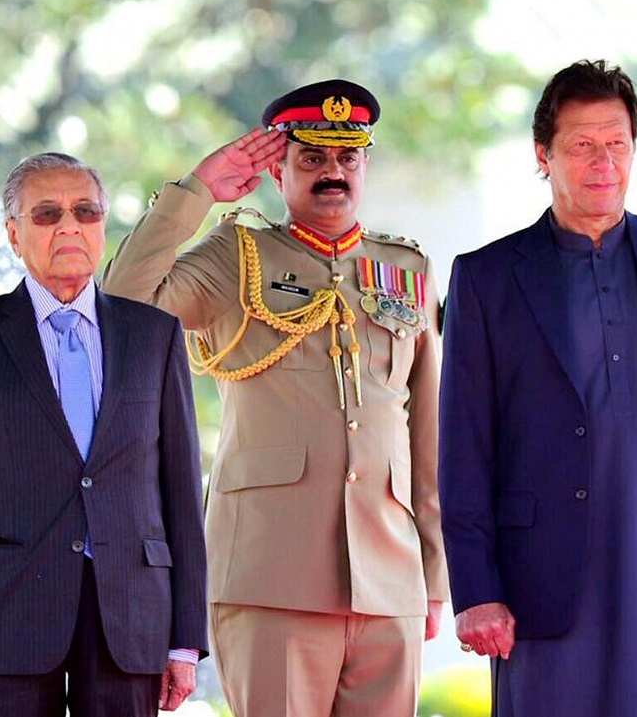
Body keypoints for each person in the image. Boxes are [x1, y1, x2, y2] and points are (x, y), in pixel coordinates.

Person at [101, 79, 449, 717]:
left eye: (348, 158)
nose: (332, 173)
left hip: (389, 575)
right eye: (312, 158)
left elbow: (428, 430)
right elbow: (122, 303)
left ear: (366, 164)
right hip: (271, 572)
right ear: (277, 171)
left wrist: (434, 572)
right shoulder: (239, 254)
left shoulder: (407, 270)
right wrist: (197, 193)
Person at [438, 60, 637, 717]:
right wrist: (476, 587)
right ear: (543, 154)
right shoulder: (487, 278)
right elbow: (464, 448)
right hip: (541, 581)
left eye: (616, 143)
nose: (602, 162)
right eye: (582, 145)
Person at [0, 153, 207, 717]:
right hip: (8, 616)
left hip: (131, 616)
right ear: (14, 234)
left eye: (85, 211)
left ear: (102, 225)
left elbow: (181, 494)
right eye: (47, 214)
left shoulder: (156, 335)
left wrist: (186, 639)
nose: (70, 226)